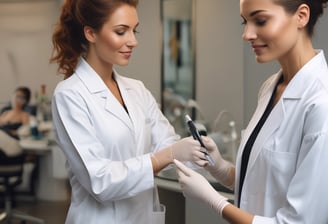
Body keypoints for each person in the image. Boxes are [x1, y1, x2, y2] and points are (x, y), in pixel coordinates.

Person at [50, 0, 205, 223]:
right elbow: (100, 181)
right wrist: (168, 155)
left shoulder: (137, 90)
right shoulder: (70, 95)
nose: (133, 41)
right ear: (91, 33)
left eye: (134, 30)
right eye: (121, 31)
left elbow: (168, 145)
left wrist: (199, 153)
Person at [174, 0, 328, 223]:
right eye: (245, 22)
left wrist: (215, 201)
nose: (247, 34)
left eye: (260, 21)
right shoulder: (270, 87)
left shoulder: (320, 103)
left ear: (301, 16)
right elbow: (264, 183)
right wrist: (221, 169)